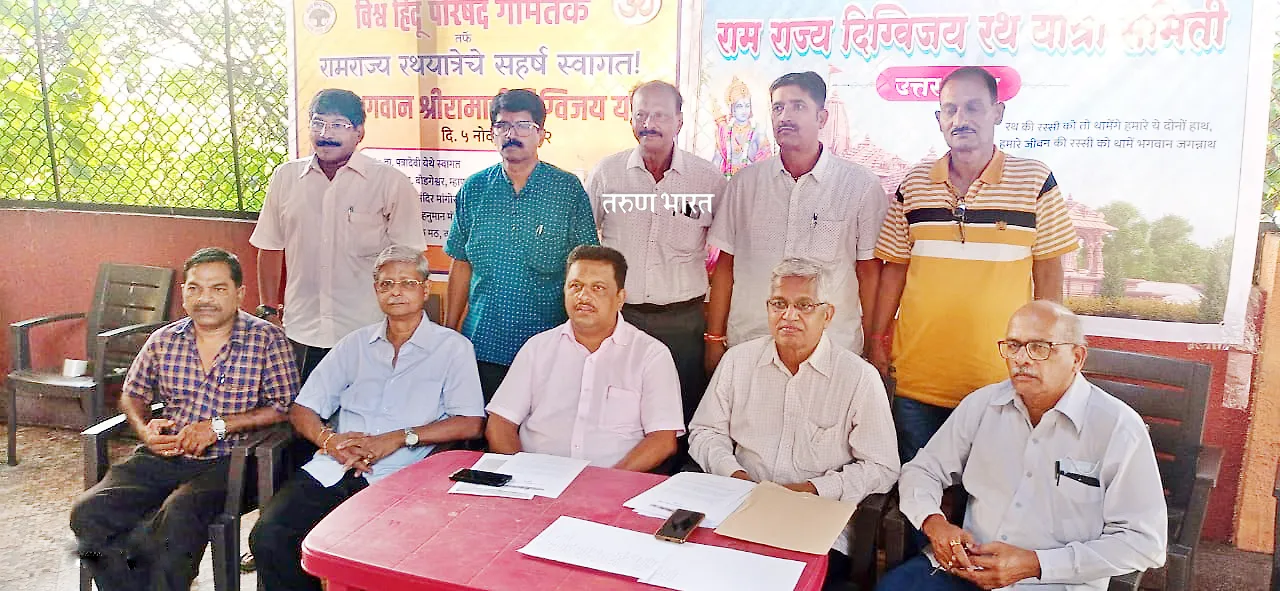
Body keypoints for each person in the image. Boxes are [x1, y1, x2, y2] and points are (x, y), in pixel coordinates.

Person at [869, 66, 1080, 466]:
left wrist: (1049, 349)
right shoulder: (914, 184)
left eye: (973, 107)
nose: (960, 119)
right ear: (938, 118)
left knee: (989, 493)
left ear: (997, 112)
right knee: (919, 487)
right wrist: (876, 339)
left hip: (1002, 380)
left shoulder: (1034, 181)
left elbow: (1049, 271)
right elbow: (893, 268)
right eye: (950, 110)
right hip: (917, 380)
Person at [877, 301, 1167, 591]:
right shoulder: (983, 405)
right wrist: (934, 523)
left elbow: (1145, 542)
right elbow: (922, 470)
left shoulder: (1118, 427)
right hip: (968, 569)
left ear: (1077, 358)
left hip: (1055, 583)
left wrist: (1036, 564)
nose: (1021, 359)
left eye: (1039, 347)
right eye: (1013, 346)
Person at [249, 245, 485, 591]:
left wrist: (399, 437)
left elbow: (470, 421)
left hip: (402, 476)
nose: (396, 291)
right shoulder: (354, 345)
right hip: (335, 466)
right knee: (269, 536)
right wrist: (330, 441)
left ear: (424, 289)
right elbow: (302, 409)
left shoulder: (452, 348)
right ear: (376, 291)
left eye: (407, 283)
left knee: (368, 560)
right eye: (386, 284)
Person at [70, 248, 299, 591]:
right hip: (167, 454)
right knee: (89, 512)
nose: (205, 298)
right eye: (195, 288)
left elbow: (285, 407)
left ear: (239, 293)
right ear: (183, 293)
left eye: (218, 288)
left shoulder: (266, 339)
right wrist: (145, 430)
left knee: (179, 515)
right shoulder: (164, 339)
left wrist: (219, 426)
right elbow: (132, 394)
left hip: (233, 461)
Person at [689, 259, 899, 577]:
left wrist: (812, 489)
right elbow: (705, 432)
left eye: (804, 305)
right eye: (779, 304)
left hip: (817, 520)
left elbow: (882, 467)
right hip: (739, 506)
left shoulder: (858, 377)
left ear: (827, 315)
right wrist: (735, 475)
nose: (789, 316)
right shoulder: (738, 361)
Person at [706, 71, 886, 374]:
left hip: (831, 350)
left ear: (822, 117)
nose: (785, 116)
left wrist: (873, 341)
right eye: (778, 107)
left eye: (798, 106)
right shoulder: (745, 184)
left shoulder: (860, 186)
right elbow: (726, 266)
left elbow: (869, 272)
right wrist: (714, 338)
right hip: (751, 345)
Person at [251, 88, 427, 383]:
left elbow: (409, 262)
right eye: (318, 123)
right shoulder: (285, 178)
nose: (325, 134)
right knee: (301, 409)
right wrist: (268, 310)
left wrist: (402, 327)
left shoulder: (389, 183)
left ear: (359, 132)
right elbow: (270, 247)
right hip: (300, 331)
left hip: (368, 332)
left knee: (364, 411)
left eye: (338, 125)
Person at [586, 80, 727, 427]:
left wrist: (715, 335)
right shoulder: (608, 173)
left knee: (679, 416)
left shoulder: (707, 179)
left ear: (680, 121)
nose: (649, 123)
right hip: (620, 320)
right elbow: (586, 248)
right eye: (641, 115)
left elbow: (726, 255)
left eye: (661, 115)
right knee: (619, 416)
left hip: (683, 324)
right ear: (631, 120)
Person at [445, 88, 599, 402]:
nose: (511, 135)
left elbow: (588, 267)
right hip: (482, 344)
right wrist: (447, 336)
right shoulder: (475, 189)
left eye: (523, 126)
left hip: (549, 346)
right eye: (502, 126)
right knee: (482, 426)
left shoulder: (566, 190)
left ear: (541, 134)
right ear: (492, 133)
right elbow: (460, 263)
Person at [485, 246, 684, 471]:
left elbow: (662, 440)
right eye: (575, 286)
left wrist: (603, 484)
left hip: (614, 483)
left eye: (598, 288)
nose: (583, 297)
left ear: (620, 298)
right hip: (536, 479)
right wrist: (520, 474)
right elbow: (500, 422)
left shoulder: (650, 355)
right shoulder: (538, 348)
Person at [713, 75, 773, 176]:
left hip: (752, 181)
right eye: (740, 106)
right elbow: (716, 160)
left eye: (747, 106)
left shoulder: (758, 131)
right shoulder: (724, 132)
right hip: (727, 180)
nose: (744, 111)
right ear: (732, 108)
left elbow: (765, 162)